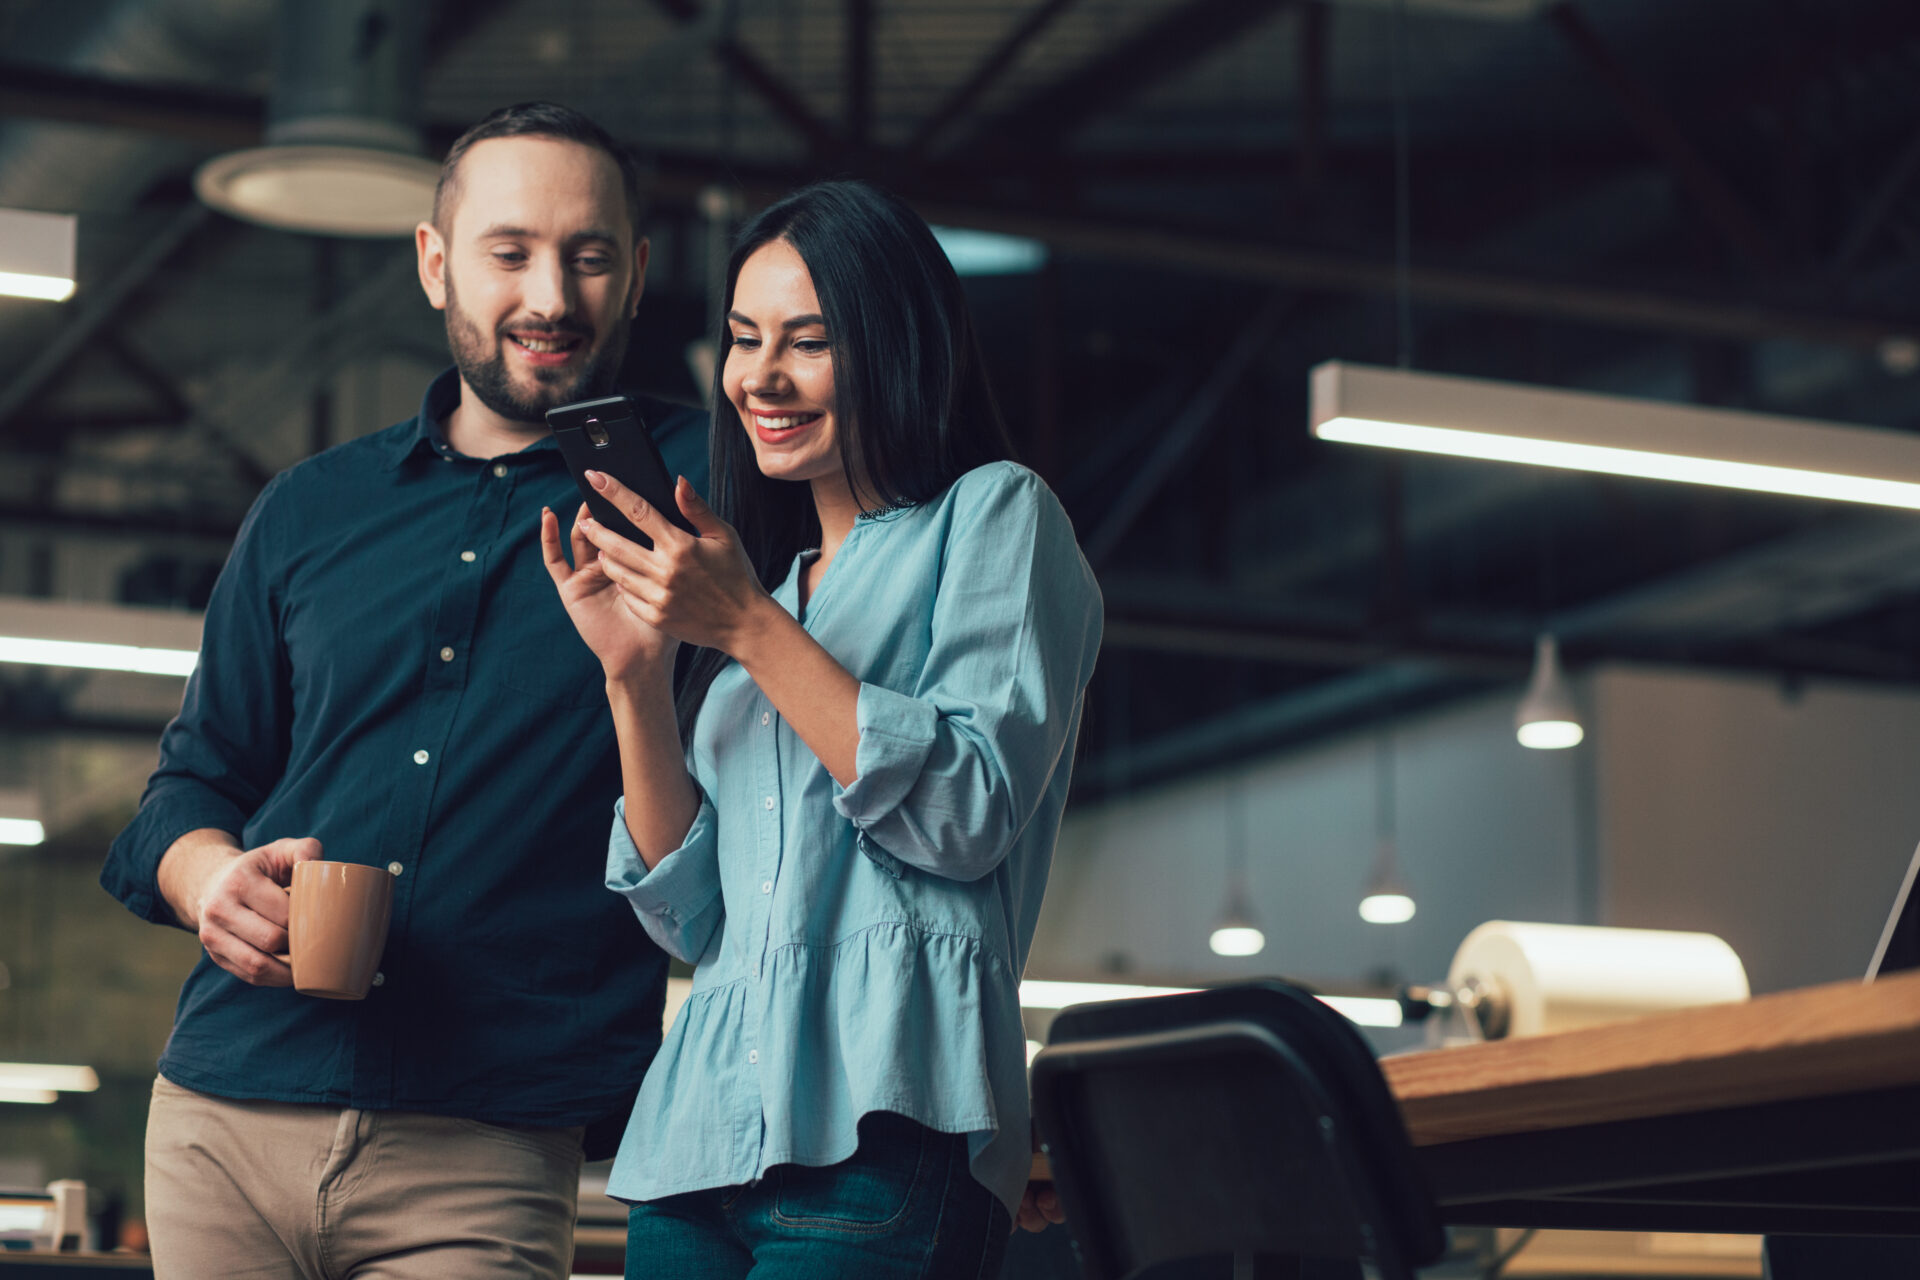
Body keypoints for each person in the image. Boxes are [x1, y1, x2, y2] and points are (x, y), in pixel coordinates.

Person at [99, 102, 707, 1279]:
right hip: (224, 1112)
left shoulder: (704, 492)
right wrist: (209, 877)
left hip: (487, 1140)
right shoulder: (308, 508)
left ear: (635, 274)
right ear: (436, 265)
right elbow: (191, 782)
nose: (551, 294)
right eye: (509, 250)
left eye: (588, 255)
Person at [542, 179, 1101, 1278]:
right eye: (745, 339)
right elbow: (692, 919)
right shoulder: (766, 591)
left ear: (895, 347)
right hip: (697, 1142)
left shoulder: (993, 514)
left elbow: (969, 812)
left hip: (886, 1121)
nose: (761, 376)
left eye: (808, 340)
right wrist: (637, 676)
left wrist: (744, 625)